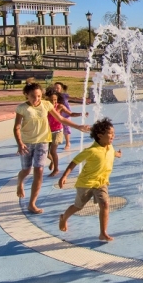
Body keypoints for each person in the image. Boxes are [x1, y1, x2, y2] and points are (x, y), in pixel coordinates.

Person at [14, 82, 90, 214]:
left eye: (38, 96)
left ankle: (32, 203)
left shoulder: (46, 105)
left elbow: (61, 119)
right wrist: (20, 143)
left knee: (39, 171)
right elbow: (16, 127)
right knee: (26, 171)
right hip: (26, 143)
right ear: (26, 95)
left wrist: (78, 127)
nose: (36, 99)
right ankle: (20, 183)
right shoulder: (22, 108)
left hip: (42, 142)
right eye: (33, 96)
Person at [58, 117, 122, 242]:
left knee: (105, 204)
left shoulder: (110, 147)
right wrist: (64, 176)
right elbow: (74, 162)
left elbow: (112, 153)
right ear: (99, 135)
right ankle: (64, 218)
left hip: (101, 183)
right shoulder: (91, 151)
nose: (113, 136)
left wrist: (118, 154)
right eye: (110, 134)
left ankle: (103, 233)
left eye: (113, 133)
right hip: (85, 184)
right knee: (78, 206)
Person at [44, 87, 86, 178]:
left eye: (55, 100)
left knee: (53, 151)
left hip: (57, 131)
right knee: (45, 153)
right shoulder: (45, 107)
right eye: (51, 100)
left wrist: (80, 114)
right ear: (47, 99)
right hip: (47, 132)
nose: (53, 102)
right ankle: (52, 161)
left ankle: (56, 169)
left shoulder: (60, 106)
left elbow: (70, 114)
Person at [53, 82, 74, 150]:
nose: (56, 89)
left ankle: (67, 143)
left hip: (66, 114)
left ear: (61, 89)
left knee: (66, 128)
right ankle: (53, 143)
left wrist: (82, 99)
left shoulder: (64, 95)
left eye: (58, 88)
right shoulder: (52, 96)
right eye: (55, 88)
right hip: (56, 113)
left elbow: (73, 98)